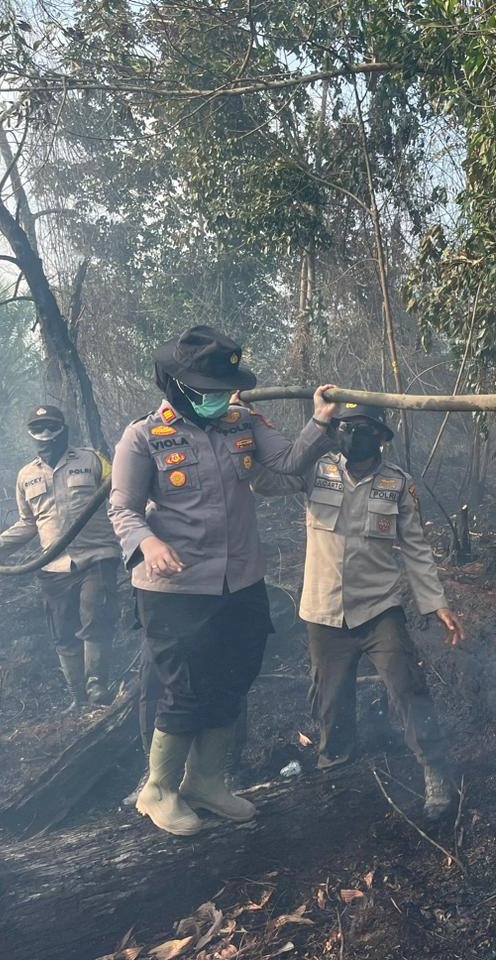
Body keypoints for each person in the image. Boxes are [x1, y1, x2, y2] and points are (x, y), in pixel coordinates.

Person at [108, 324, 337, 836]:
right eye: (207, 391)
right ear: (178, 386)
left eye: (222, 391)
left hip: (240, 582)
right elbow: (121, 510)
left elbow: (286, 464)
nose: (218, 399)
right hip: (174, 590)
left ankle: (206, 781)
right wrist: (148, 542)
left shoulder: (243, 424)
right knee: (184, 689)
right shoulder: (143, 437)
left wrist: (319, 425)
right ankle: (159, 789)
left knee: (234, 680)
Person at [252, 401, 466, 819]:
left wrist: (437, 604)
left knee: (408, 687)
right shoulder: (316, 469)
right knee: (330, 702)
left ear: (381, 436)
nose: (351, 435)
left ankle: (435, 772)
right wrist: (247, 430)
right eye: (345, 427)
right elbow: (262, 482)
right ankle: (335, 772)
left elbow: (417, 550)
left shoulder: (398, 484)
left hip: (379, 609)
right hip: (324, 612)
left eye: (361, 428)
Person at [0, 405, 122, 708]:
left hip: (97, 556)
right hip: (52, 565)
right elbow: (28, 522)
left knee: (95, 614)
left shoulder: (93, 460)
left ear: (63, 429)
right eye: (38, 430)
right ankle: (77, 697)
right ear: (31, 435)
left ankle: (97, 685)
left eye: (51, 428)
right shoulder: (26, 476)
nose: (45, 435)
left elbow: (120, 496)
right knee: (62, 631)